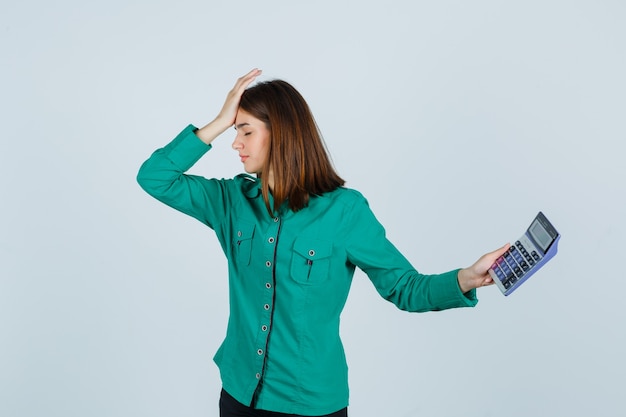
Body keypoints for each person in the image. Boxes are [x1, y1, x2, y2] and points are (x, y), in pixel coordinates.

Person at [137, 69, 509, 417]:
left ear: (279, 133)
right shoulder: (230, 202)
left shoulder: (345, 211)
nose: (234, 143)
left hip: (309, 405)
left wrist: (466, 278)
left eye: (246, 131)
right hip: (238, 396)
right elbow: (155, 177)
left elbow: (404, 288)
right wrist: (219, 120)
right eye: (234, 130)